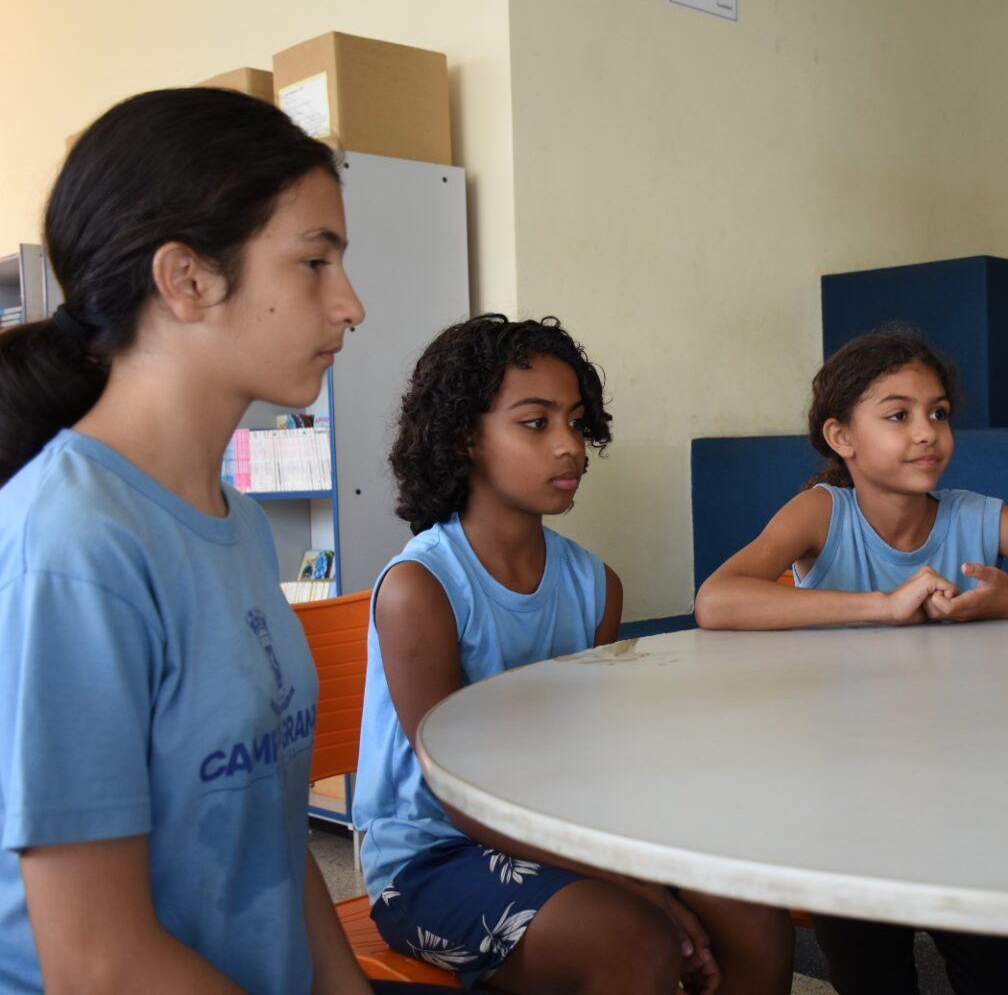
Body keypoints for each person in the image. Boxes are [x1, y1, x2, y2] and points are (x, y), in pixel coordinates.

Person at [0, 87, 435, 993]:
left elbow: (268, 842)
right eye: (314, 262)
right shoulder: (73, 544)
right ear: (186, 278)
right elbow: (99, 964)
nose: (350, 305)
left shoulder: (231, 520)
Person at [695, 325, 1008, 994]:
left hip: (963, 802)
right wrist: (883, 606)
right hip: (844, 806)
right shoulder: (822, 513)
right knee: (873, 977)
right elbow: (717, 599)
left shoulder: (975, 517)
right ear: (842, 437)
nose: (927, 432)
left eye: (938, 413)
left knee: (1003, 979)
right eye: (899, 414)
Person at [354, 314, 793, 994]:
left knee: (755, 917)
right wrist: (636, 884)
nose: (570, 447)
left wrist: (639, 863)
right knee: (634, 941)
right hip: (433, 858)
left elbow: (590, 764)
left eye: (577, 422)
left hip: (561, 830)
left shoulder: (595, 585)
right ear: (466, 435)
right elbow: (456, 792)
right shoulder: (422, 587)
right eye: (536, 423)